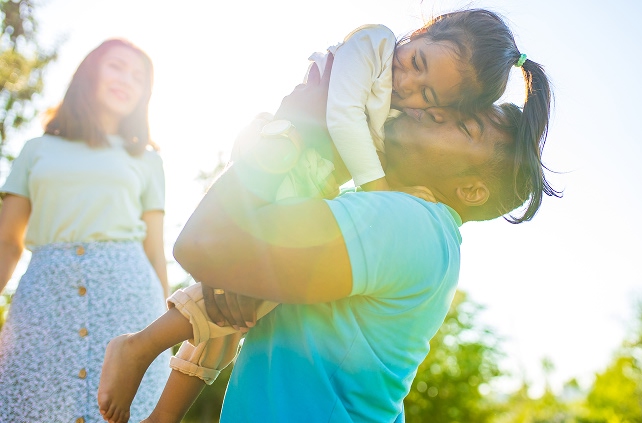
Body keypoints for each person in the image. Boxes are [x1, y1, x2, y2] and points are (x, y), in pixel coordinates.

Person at [97, 8, 557, 423]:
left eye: (464, 124)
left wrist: (289, 127)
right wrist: (238, 266)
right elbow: (226, 256)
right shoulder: (405, 216)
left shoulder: (408, 224)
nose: (437, 113)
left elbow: (204, 245)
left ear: (472, 189)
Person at [0, 38, 170, 422]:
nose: (127, 79)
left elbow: (155, 252)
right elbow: (7, 244)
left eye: (139, 76)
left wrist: (160, 339)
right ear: (89, 73)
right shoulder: (36, 149)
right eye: (116, 66)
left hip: (128, 297)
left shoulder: (146, 160)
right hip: (45, 299)